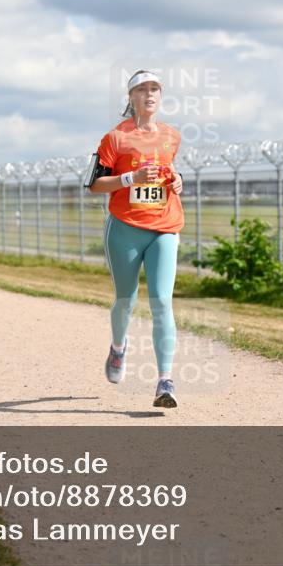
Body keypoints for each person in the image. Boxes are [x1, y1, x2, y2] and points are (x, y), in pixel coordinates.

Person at [88, 69, 184, 408]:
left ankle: (165, 382)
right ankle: (118, 347)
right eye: (142, 89)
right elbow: (95, 185)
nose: (149, 94)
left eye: (155, 89)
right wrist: (130, 178)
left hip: (164, 226)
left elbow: (168, 171)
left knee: (161, 302)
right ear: (131, 98)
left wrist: (177, 181)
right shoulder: (115, 138)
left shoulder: (172, 135)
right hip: (125, 226)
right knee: (126, 300)